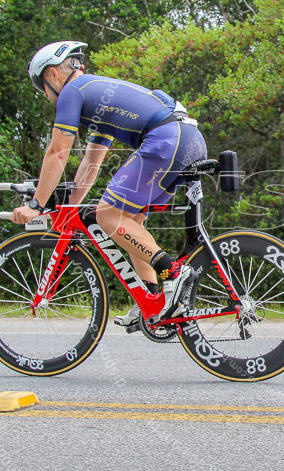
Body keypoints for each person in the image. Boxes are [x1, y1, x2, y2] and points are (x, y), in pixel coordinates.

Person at [11, 40, 205, 327]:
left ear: (52, 74)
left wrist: (36, 204)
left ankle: (174, 274)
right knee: (128, 223)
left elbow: (57, 152)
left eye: (42, 88)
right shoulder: (96, 99)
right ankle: (155, 301)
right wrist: (68, 211)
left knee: (107, 215)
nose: (46, 97)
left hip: (167, 138)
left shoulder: (72, 92)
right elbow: (91, 164)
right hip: (187, 138)